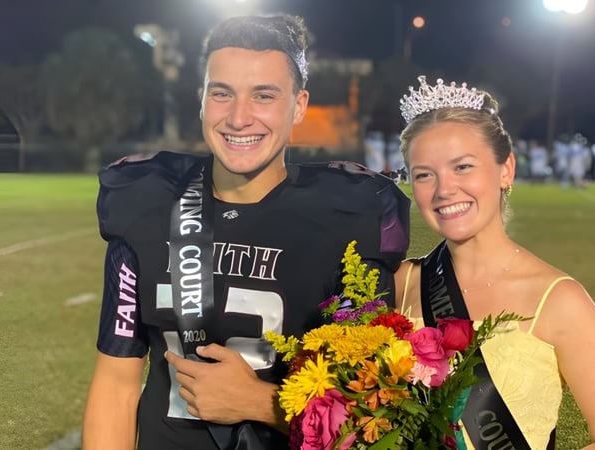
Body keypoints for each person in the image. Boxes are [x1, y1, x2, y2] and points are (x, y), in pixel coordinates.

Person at [82, 14, 410, 450]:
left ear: (299, 105)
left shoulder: (348, 218)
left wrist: (259, 402)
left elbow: (371, 415)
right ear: (202, 99)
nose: (238, 118)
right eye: (222, 93)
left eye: (263, 95)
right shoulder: (147, 203)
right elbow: (116, 385)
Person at [394, 75, 595, 449]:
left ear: (505, 169)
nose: (444, 189)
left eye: (462, 167)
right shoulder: (401, 283)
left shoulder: (560, 301)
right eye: (424, 175)